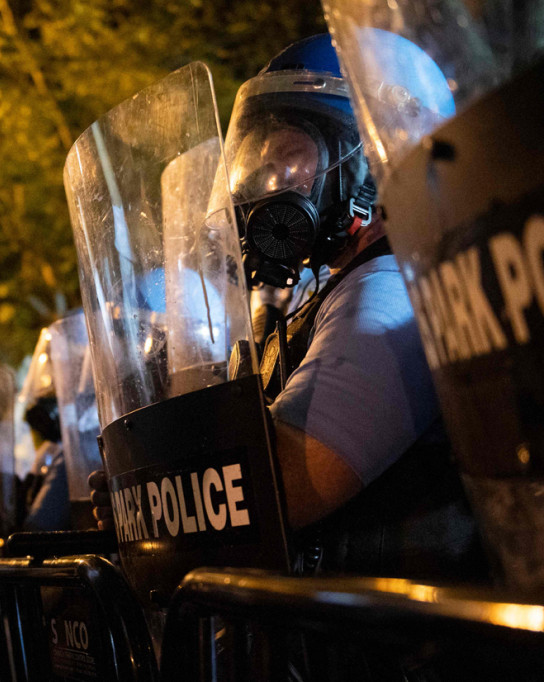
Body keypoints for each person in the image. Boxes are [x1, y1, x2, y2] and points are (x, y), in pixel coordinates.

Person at [92, 34, 487, 581]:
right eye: (259, 161)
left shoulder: (389, 287)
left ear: (375, 161)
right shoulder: (334, 290)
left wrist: (156, 485)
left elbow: (285, 486)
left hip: (380, 633)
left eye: (288, 154)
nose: (264, 183)